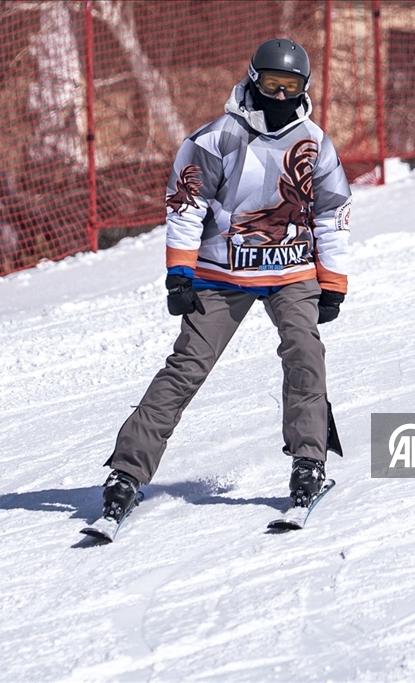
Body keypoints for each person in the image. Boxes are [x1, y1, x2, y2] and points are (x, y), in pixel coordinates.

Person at [97, 38, 352, 527]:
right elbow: (186, 205)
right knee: (188, 365)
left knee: (304, 351)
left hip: (291, 270)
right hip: (221, 272)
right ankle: (127, 470)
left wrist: (334, 281)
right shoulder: (215, 139)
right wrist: (180, 272)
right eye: (272, 85)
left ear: (304, 87)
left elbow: (332, 211)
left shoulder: (315, 142)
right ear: (253, 81)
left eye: (291, 86)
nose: (280, 97)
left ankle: (309, 461)